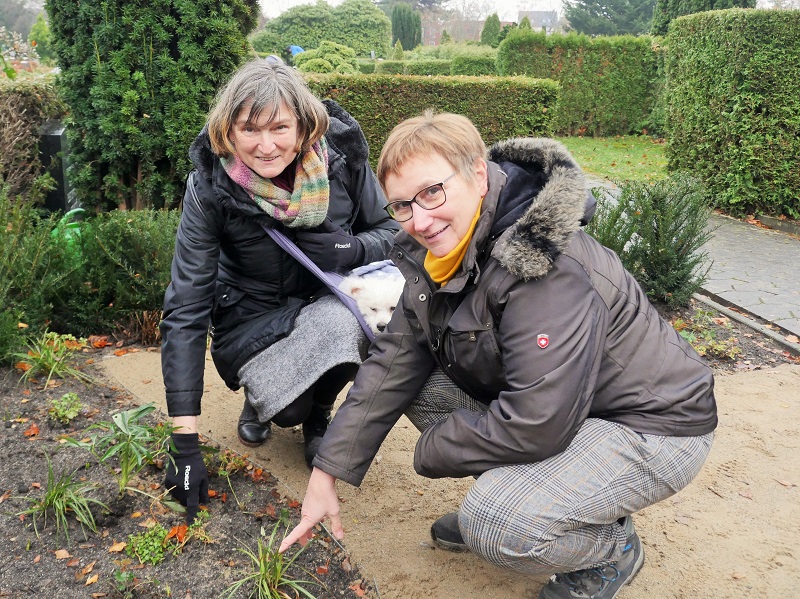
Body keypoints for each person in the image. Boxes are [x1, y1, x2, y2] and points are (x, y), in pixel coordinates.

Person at [280, 111, 717, 599]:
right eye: (401, 205)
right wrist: (327, 473)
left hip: (652, 423)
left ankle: (611, 548)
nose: (419, 220)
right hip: (569, 404)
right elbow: (395, 359)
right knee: (413, 376)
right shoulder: (441, 252)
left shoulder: (545, 262)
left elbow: (536, 422)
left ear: (478, 174)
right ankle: (557, 494)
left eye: (431, 192)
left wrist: (435, 449)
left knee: (496, 522)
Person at [160, 59, 399, 522]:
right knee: (284, 409)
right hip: (250, 319)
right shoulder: (211, 187)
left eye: (279, 128)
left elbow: (395, 229)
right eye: (249, 130)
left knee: (349, 324)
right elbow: (186, 304)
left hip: (327, 305)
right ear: (227, 131)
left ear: (304, 124)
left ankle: (320, 412)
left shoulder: (342, 159)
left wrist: (351, 248)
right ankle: (270, 401)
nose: (266, 146)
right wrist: (184, 442)